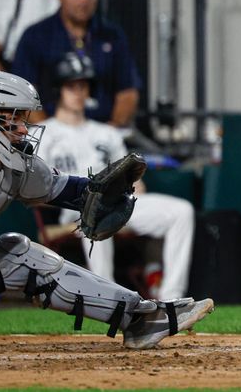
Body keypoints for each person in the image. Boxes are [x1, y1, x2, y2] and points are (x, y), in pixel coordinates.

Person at [0, 68, 212, 348]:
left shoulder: (16, 171)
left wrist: (108, 190)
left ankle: (139, 319)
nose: (24, 129)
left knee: (18, 254)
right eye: (13, 118)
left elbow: (75, 192)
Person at [38, 53, 195, 300]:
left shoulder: (106, 133)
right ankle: (108, 299)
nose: (78, 92)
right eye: (71, 85)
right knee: (97, 211)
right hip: (76, 207)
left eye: (83, 85)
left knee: (181, 211)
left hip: (121, 203)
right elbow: (36, 186)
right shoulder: (45, 134)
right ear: (59, 89)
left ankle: (170, 297)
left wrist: (134, 187)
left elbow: (135, 180)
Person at [12, 0, 141, 127]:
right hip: (51, 137)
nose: (83, 1)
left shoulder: (113, 35)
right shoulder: (36, 36)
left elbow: (128, 92)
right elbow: (24, 95)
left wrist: (110, 133)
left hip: (104, 133)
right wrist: (52, 136)